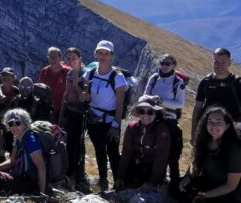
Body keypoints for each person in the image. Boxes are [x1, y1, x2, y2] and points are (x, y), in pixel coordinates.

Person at [179, 106, 241, 203]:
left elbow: (231, 185)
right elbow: (195, 163)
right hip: (205, 183)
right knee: (175, 186)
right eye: (210, 121)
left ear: (227, 126)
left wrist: (205, 195)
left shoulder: (234, 149)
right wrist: (188, 176)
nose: (213, 125)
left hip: (223, 194)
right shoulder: (204, 140)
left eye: (219, 122)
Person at [80, 40, 128, 191]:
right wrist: (84, 96)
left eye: (106, 53)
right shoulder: (90, 73)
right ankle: (103, 181)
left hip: (110, 121)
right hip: (93, 119)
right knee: (99, 150)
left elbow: (120, 104)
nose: (103, 56)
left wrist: (116, 125)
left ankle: (119, 182)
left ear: (112, 56)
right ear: (95, 54)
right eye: (100, 53)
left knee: (113, 152)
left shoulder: (118, 77)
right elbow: (85, 92)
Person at [191, 47, 241, 142]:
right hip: (208, 130)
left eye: (223, 62)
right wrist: (194, 131)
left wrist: (240, 133)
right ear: (212, 61)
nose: (219, 65)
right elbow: (198, 108)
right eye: (216, 61)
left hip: (231, 133)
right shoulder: (206, 82)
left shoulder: (239, 84)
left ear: (230, 62)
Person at [144, 53, 185, 186]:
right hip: (152, 116)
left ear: (173, 65)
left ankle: (174, 180)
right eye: (162, 63)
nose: (165, 66)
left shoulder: (178, 82)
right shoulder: (154, 78)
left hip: (169, 118)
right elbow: (145, 95)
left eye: (168, 64)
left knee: (173, 148)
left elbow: (180, 104)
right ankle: (151, 175)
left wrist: (162, 102)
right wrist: (152, 99)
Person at [115, 96, 171, 192]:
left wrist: (152, 183)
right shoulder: (131, 127)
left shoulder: (162, 130)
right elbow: (126, 153)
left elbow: (161, 159)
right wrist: (120, 177)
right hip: (135, 167)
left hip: (152, 170)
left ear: (155, 113)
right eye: (141, 111)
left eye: (150, 112)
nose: (145, 115)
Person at [0, 109, 47, 194]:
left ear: (25, 124)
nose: (14, 127)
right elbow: (12, 161)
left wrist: (42, 192)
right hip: (22, 176)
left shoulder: (30, 140)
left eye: (17, 123)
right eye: (11, 124)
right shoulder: (18, 137)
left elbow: (41, 166)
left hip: (30, 181)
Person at [58, 47, 90, 193]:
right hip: (69, 111)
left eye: (74, 58)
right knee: (69, 141)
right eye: (69, 58)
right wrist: (62, 113)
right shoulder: (70, 72)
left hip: (79, 112)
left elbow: (84, 95)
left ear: (80, 58)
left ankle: (76, 172)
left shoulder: (85, 73)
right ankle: (70, 169)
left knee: (76, 143)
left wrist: (77, 83)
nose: (71, 60)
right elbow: (66, 92)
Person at [39, 46, 70, 124]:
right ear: (48, 58)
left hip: (65, 109)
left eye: (55, 57)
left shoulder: (68, 72)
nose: (52, 59)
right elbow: (41, 89)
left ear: (60, 58)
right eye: (50, 57)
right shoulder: (44, 71)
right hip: (48, 108)